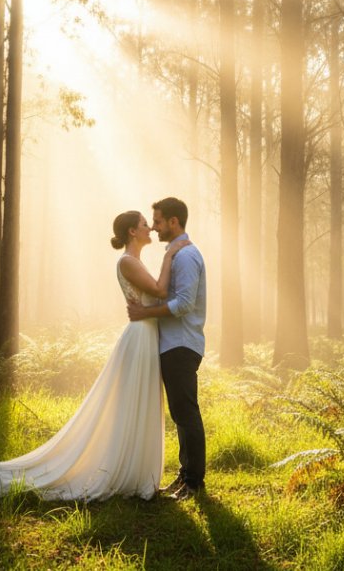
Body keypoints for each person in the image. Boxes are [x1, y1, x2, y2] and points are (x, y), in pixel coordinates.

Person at [0, 210, 188, 501]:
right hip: (140, 337)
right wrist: (170, 255)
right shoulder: (128, 262)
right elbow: (159, 289)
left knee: (139, 402)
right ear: (132, 231)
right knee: (133, 402)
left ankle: (135, 470)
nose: (150, 229)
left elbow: (154, 294)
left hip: (146, 334)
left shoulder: (136, 261)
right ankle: (123, 469)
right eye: (145, 224)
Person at [126, 196, 207, 501]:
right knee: (180, 412)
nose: (155, 227)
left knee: (186, 411)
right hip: (173, 343)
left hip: (182, 343)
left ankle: (194, 482)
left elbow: (184, 304)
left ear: (174, 222)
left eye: (158, 221)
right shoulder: (177, 253)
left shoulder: (185, 256)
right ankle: (186, 475)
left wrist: (145, 313)